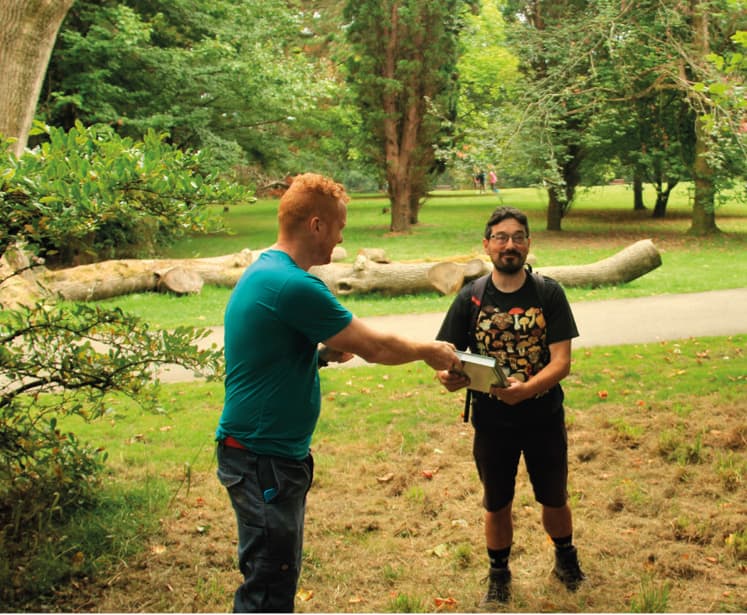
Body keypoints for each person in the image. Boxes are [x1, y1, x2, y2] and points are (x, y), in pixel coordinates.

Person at [215, 172, 458, 613]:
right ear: (316, 225)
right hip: (262, 458)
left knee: (273, 574)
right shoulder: (293, 284)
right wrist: (430, 350)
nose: (341, 239)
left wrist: (322, 353)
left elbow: (272, 352)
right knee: (268, 586)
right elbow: (378, 348)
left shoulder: (266, 271)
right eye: (340, 227)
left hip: (261, 454)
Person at [435, 206, 585, 606]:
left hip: (543, 417)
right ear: (486, 246)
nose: (510, 245)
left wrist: (528, 388)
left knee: (554, 495)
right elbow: (447, 358)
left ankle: (565, 559)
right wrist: (448, 378)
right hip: (492, 420)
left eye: (518, 237)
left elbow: (562, 362)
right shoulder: (470, 298)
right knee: (496, 501)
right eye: (500, 237)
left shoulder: (548, 293)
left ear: (528, 244)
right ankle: (499, 574)